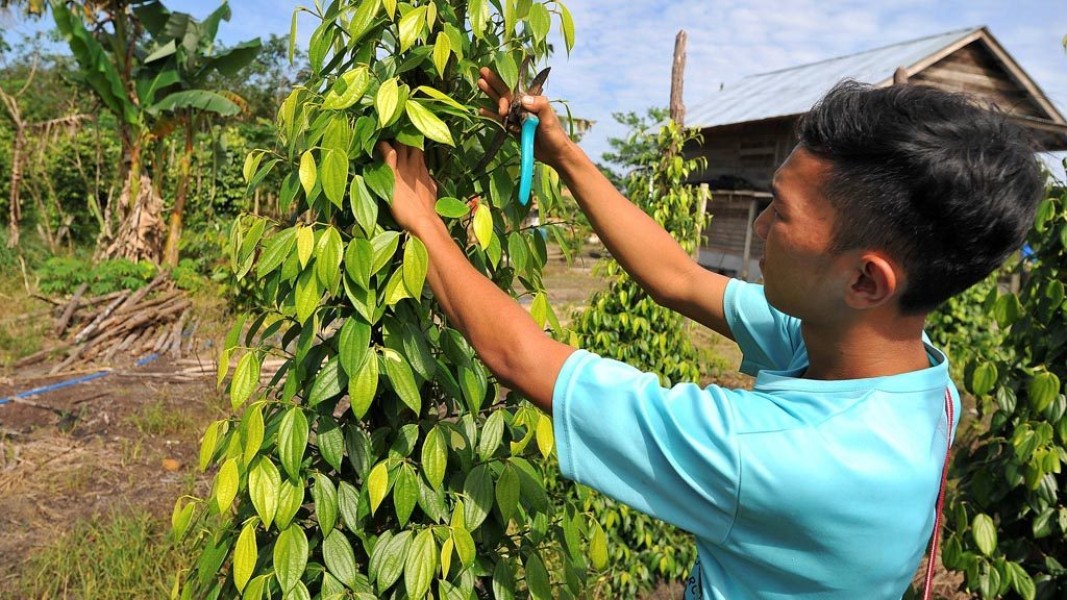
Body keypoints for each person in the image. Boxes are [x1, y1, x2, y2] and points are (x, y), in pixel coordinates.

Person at [376, 71, 1043, 599]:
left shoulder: (781, 455)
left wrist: (424, 223)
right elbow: (678, 279)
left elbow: (522, 358)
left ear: (867, 279)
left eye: (781, 213)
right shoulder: (904, 372)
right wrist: (563, 155)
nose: (759, 226)